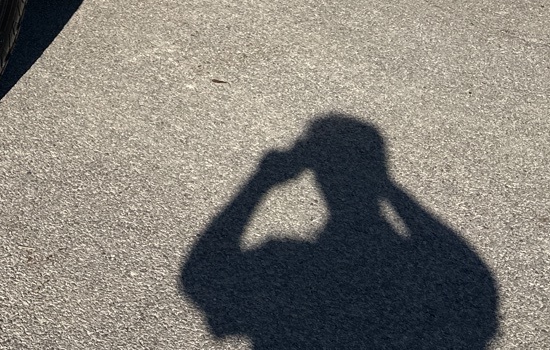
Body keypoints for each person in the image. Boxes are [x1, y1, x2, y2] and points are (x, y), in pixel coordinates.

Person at [180, 115, 499, 349]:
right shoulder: (426, 277)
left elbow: (201, 273)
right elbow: (463, 265)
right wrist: (384, 186)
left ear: (316, 175)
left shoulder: (289, 269)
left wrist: (260, 183)